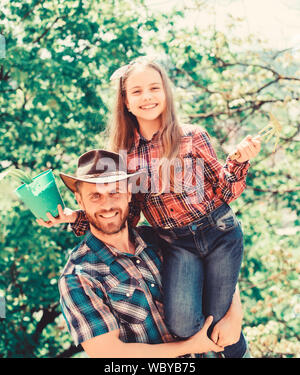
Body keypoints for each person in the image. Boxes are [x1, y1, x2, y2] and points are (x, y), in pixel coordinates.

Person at [38, 57, 258, 357]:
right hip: (178, 242)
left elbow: (223, 190)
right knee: (184, 324)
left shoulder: (192, 138)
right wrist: (71, 218)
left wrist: (239, 162)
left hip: (217, 229)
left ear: (166, 93)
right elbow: (122, 212)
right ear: (125, 102)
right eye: (137, 91)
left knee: (221, 316)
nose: (148, 97)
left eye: (154, 88)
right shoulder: (125, 159)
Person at [44, 149, 245, 358]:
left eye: (115, 192)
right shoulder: (79, 277)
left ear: (129, 193)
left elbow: (218, 263)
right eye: (95, 196)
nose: (107, 205)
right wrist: (190, 347)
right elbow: (109, 353)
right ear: (79, 200)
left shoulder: (162, 237)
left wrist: (234, 314)